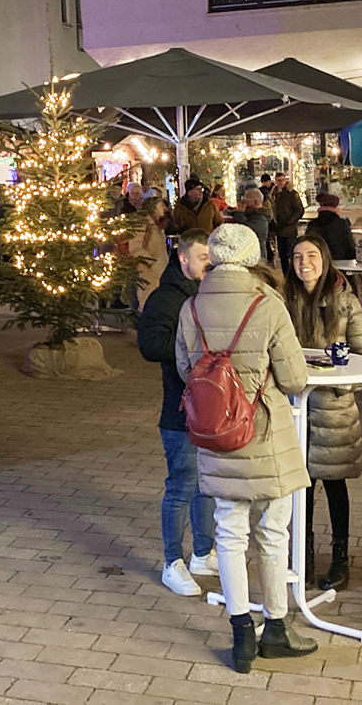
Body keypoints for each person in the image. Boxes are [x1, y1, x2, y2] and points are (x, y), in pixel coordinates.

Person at [175, 223, 316, 673]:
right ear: (253, 257)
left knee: (229, 534)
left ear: (214, 257)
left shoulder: (191, 307)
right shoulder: (267, 305)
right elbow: (295, 379)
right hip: (265, 435)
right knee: (273, 534)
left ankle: (240, 636)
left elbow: (185, 371)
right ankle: (276, 627)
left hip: (216, 436)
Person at [283, 233, 362, 592]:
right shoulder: (283, 299)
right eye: (296, 256)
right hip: (294, 409)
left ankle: (339, 559)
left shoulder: (343, 299)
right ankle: (301, 557)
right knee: (299, 488)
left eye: (311, 256)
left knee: (335, 488)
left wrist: (340, 381)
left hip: (332, 409)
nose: (303, 263)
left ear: (324, 260)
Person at [138, 229, 216, 597]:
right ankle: (173, 562)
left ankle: (202, 551)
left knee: (206, 483)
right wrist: (194, 349)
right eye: (202, 257)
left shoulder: (209, 293)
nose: (208, 264)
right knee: (182, 484)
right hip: (179, 409)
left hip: (212, 406)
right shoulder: (165, 299)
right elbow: (150, 345)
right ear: (183, 258)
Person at [127, 195, 170, 310]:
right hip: (148, 271)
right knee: (146, 299)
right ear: (153, 207)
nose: (164, 209)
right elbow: (135, 247)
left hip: (158, 270)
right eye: (161, 206)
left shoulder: (157, 225)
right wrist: (149, 262)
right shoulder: (143, 223)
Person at [269, 172, 305, 277]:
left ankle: (293, 275)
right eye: (278, 180)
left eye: (282, 180)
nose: (280, 182)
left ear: (285, 181)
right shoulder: (274, 194)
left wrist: (290, 221)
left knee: (291, 254)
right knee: (282, 255)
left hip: (289, 230)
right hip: (278, 229)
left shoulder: (291, 194)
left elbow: (299, 210)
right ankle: (286, 275)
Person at [305, 193, 355, 262]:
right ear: (335, 208)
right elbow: (349, 246)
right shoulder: (342, 223)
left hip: (320, 262)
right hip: (341, 261)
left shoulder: (312, 224)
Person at [229, 187, 272, 262]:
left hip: (257, 255)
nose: (243, 200)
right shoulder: (250, 213)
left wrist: (239, 214)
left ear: (255, 201)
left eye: (246, 198)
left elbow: (247, 229)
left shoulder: (261, 217)